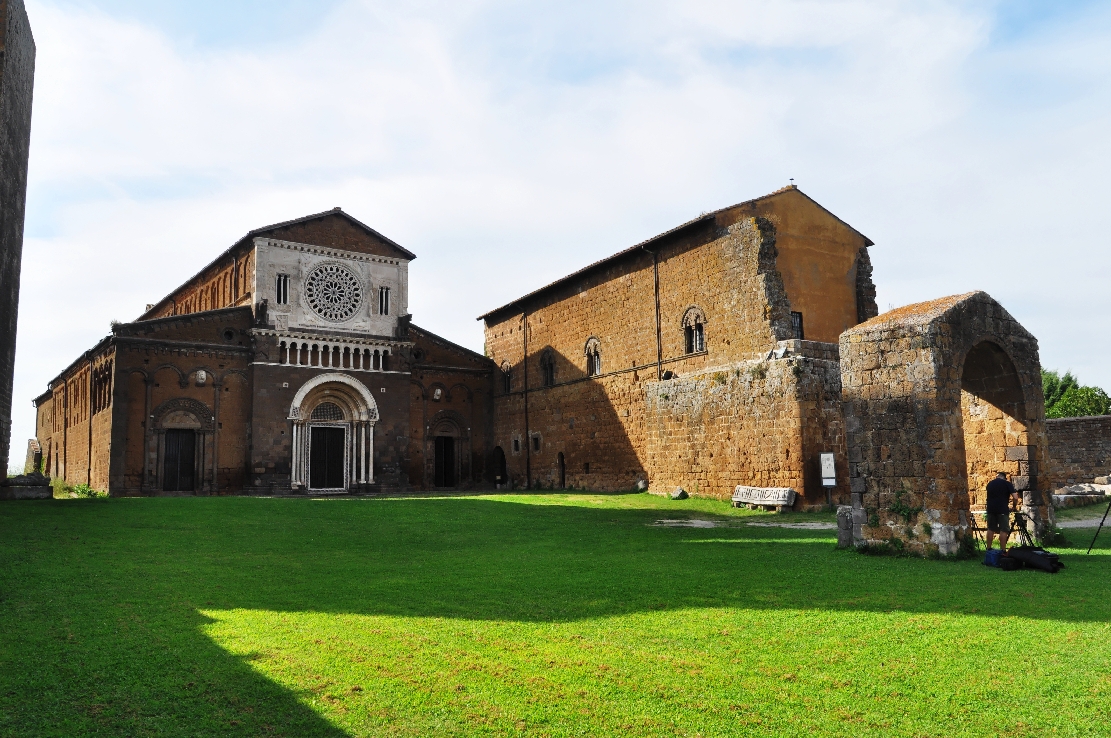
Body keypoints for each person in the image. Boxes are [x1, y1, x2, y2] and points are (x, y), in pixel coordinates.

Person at [985, 471, 1021, 553]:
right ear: (1005, 478)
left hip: (990, 509)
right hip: (1002, 509)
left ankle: (988, 548)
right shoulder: (1006, 483)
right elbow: (1015, 497)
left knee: (990, 528)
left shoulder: (990, 484)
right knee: (1003, 529)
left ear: (997, 477)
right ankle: (1003, 550)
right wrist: (1014, 506)